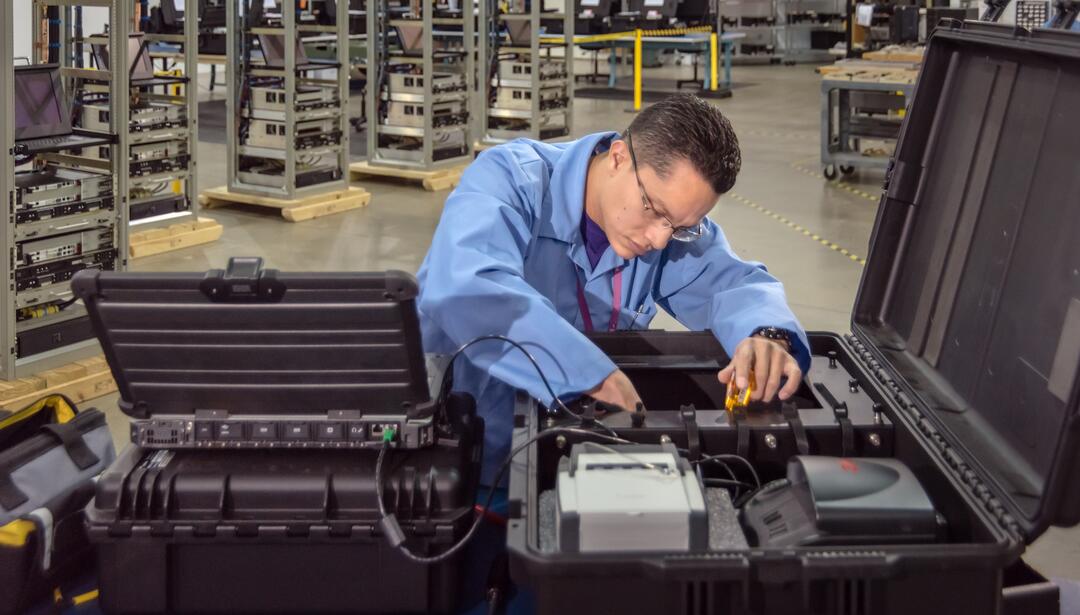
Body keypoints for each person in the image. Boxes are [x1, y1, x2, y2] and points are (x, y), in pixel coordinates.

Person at [417, 93, 812, 486]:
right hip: (460, 455)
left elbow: (736, 283)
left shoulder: (667, 226)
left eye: (679, 227)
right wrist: (592, 376)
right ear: (619, 157)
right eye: (654, 210)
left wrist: (767, 334)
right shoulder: (510, 180)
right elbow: (467, 285)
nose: (660, 240)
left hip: (565, 458)